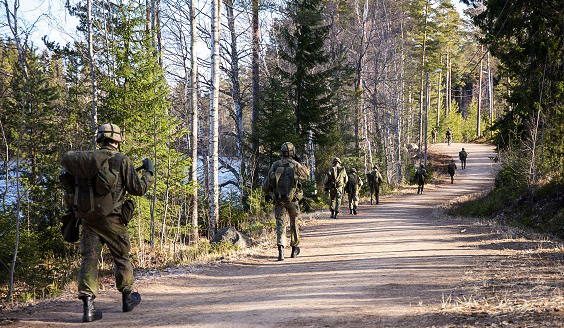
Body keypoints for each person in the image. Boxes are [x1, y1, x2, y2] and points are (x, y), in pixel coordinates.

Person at [60, 123, 154, 322]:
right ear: (117, 142)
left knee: (89, 259)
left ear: (100, 140)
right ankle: (127, 298)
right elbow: (138, 189)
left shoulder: (86, 162)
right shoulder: (122, 160)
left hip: (88, 220)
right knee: (121, 257)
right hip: (113, 221)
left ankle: (88, 306)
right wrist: (149, 173)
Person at [263, 142, 310, 261]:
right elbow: (307, 175)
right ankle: (294, 249)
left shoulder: (276, 165)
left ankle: (281, 250)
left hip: (279, 199)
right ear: (292, 152)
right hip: (293, 200)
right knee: (294, 223)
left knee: (280, 224)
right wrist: (299, 162)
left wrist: (269, 193)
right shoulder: (295, 165)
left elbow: (266, 184)